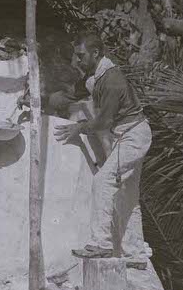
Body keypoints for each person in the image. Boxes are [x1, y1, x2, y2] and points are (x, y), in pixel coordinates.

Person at [51, 33, 152, 261]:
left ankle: (101, 243)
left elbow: (104, 122)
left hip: (133, 135)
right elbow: (71, 94)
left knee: (102, 181)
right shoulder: (97, 77)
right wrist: (43, 97)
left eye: (81, 55)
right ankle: (135, 254)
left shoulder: (112, 80)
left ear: (95, 53)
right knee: (128, 197)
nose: (77, 61)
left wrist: (79, 127)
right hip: (127, 135)